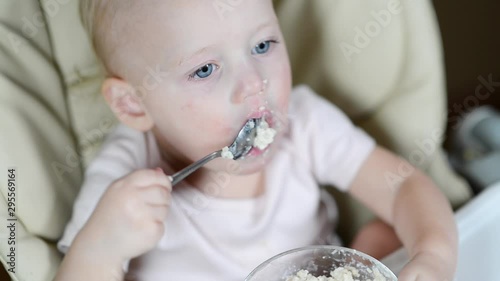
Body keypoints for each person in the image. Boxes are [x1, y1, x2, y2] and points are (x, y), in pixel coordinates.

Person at [55, 0, 457, 280]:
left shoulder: (302, 122)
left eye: (262, 46)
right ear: (133, 104)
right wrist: (101, 247)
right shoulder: (123, 179)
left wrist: (433, 256)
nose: (253, 85)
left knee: (387, 235)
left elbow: (402, 184)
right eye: (205, 70)